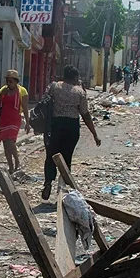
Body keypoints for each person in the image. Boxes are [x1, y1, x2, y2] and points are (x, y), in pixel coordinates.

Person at [41, 65, 101, 200]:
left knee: (51, 155)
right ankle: (63, 190)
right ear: (75, 77)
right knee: (66, 158)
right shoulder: (79, 92)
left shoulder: (54, 87)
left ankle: (48, 182)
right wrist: (94, 134)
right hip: (72, 127)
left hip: (55, 125)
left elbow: (44, 102)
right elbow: (85, 114)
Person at [0, 69, 31, 173]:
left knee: (10, 141)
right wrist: (1, 95)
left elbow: (25, 107)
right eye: (7, 81)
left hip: (15, 119)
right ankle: (11, 166)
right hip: (5, 119)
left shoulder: (22, 91)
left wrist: (28, 123)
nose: (9, 84)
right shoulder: (4, 90)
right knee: (5, 143)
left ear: (16, 81)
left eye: (11, 81)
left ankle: (17, 160)